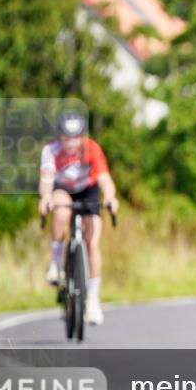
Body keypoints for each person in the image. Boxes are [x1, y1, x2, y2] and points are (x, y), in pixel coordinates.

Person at [38, 111, 118, 326]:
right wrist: (45, 197)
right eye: (66, 137)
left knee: (92, 243)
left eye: (76, 137)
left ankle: (92, 299)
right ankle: (56, 263)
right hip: (63, 189)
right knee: (62, 210)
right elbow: (46, 179)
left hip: (87, 190)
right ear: (59, 137)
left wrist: (110, 197)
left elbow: (104, 178)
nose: (71, 143)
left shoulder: (91, 148)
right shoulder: (50, 150)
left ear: (82, 136)